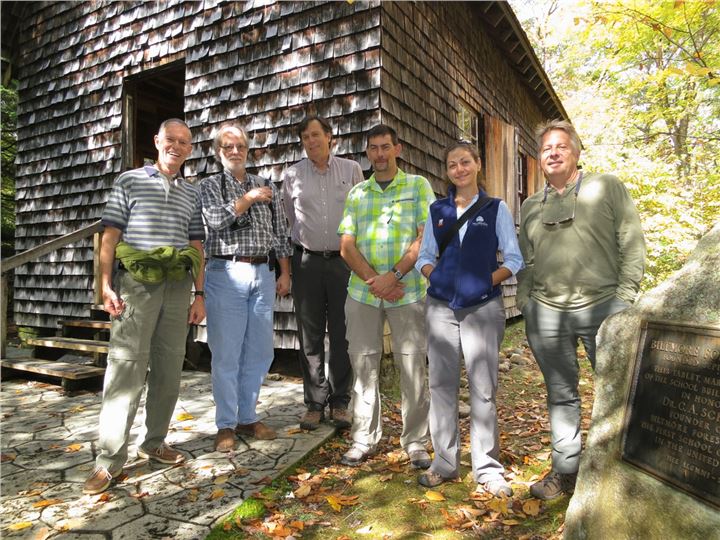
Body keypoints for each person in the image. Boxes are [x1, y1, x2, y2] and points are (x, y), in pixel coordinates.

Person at [517, 119, 645, 500]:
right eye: (545, 149)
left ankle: (623, 476)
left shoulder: (606, 187)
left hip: (603, 307)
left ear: (576, 151)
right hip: (547, 314)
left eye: (561, 146)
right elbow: (529, 260)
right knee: (560, 393)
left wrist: (624, 298)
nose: (553, 153)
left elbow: (632, 239)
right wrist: (527, 302)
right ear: (539, 159)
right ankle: (566, 471)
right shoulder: (530, 206)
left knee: (619, 391)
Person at [84, 118, 206, 495]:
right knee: (126, 369)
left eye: (185, 142)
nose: (178, 146)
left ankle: (154, 442)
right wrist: (104, 284)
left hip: (178, 286)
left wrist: (199, 294)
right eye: (171, 139)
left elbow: (197, 245)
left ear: (190, 149)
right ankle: (109, 461)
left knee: (169, 369)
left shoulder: (192, 192)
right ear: (157, 141)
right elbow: (111, 234)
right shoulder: (130, 180)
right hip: (136, 285)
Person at [415, 141, 523, 497]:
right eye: (452, 164)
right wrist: (437, 277)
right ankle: (444, 463)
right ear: (446, 171)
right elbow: (424, 257)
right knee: (441, 386)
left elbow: (513, 258)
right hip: (441, 307)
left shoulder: (495, 208)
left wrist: (484, 282)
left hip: (482, 307)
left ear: (477, 164)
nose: (458, 169)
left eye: (465, 162)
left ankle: (488, 469)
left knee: (483, 388)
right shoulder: (437, 210)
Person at [338, 124, 434, 468]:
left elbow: (426, 239)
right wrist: (375, 281)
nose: (379, 154)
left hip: (407, 290)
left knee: (413, 366)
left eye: (385, 147)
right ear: (368, 153)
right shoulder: (358, 193)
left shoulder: (418, 186)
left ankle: (417, 441)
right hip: (362, 292)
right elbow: (346, 245)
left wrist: (393, 276)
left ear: (398, 149)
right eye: (373, 148)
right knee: (363, 364)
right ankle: (364, 438)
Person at [200, 122, 292, 453]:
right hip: (226, 271)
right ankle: (225, 424)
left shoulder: (267, 185)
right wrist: (248, 198)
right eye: (228, 147)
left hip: (263, 273)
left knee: (260, 350)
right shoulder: (209, 186)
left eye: (240, 146)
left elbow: (281, 230)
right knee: (226, 352)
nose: (235, 151)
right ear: (218, 152)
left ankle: (247, 417)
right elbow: (215, 220)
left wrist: (285, 272)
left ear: (248, 150)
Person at [281, 116, 363, 431]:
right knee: (309, 336)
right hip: (307, 263)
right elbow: (290, 219)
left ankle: (340, 403)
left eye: (316, 134)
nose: (311, 141)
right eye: (305, 137)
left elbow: (359, 215)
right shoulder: (292, 175)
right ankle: (315, 403)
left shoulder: (352, 170)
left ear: (329, 137)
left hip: (344, 263)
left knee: (343, 334)